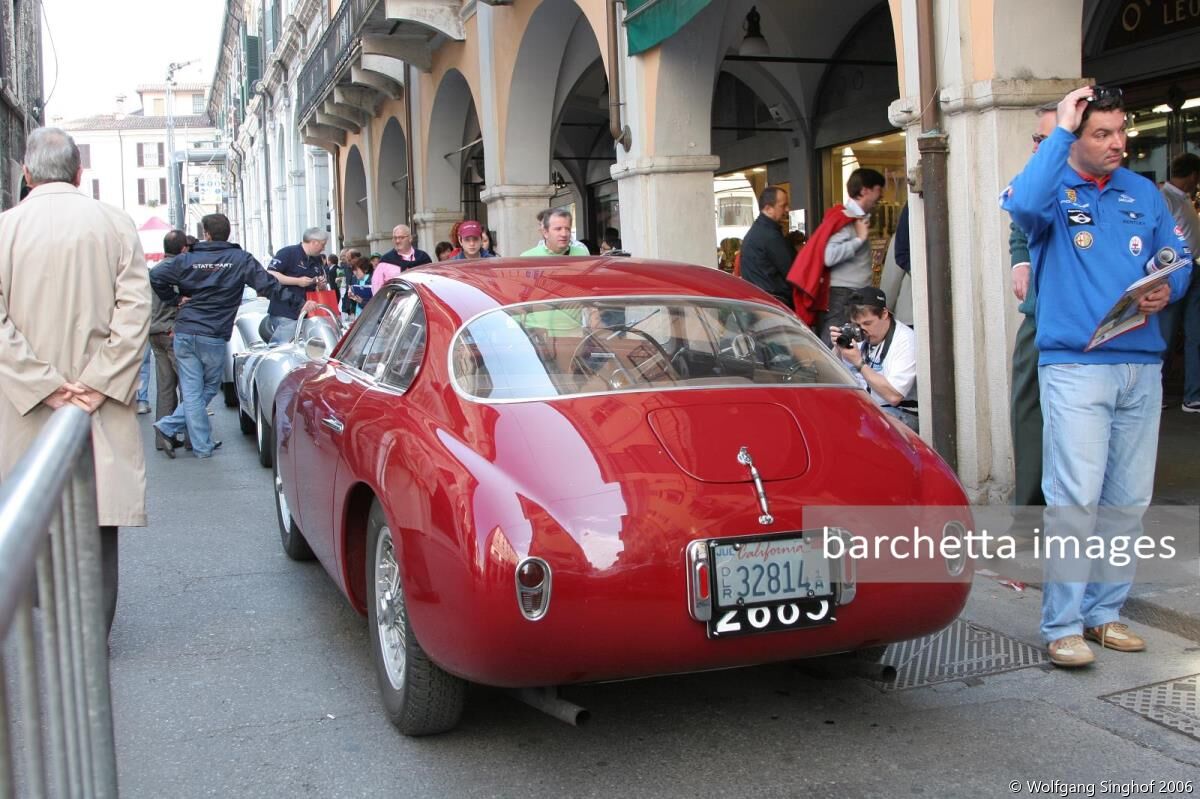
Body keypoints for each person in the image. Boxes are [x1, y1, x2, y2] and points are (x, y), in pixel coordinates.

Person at [1002, 85, 1191, 668]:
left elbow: (1176, 258)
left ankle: (1105, 614)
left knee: (1128, 501)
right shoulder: (1051, 188)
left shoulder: (1144, 192)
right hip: (1076, 367)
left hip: (1141, 363)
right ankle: (1062, 625)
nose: (1117, 143)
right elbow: (1022, 205)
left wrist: (1168, 286)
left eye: (1121, 131)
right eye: (1101, 134)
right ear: (1076, 138)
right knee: (1075, 498)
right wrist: (1059, 129)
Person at [0, 126, 152, 635]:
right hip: (97, 403)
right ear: (78, 172)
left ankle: (40, 636)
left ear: (26, 173)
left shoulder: (5, 229)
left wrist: (42, 384)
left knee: (27, 515)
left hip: (24, 403)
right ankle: (90, 636)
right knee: (97, 521)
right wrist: (96, 381)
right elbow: (135, 311)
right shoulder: (115, 224)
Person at [150, 213, 309, 459]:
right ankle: (171, 427)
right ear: (228, 234)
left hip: (184, 329)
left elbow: (156, 275)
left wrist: (175, 299)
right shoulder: (240, 259)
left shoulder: (187, 259)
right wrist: (299, 305)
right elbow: (269, 285)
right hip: (212, 332)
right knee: (208, 388)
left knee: (192, 389)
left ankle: (197, 442)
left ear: (206, 234)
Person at [1008, 102, 1059, 508]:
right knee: (1028, 410)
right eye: (1037, 139)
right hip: (1041, 317)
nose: (1038, 147)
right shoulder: (1034, 178)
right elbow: (1019, 224)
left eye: (1048, 139)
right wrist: (1021, 261)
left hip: (1089, 325)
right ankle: (1028, 511)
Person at [828, 286, 918, 431]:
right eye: (857, 325)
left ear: (884, 314)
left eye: (868, 323)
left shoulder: (905, 340)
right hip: (866, 409)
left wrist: (859, 363)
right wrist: (838, 348)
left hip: (899, 414)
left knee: (861, 429)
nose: (863, 330)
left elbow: (894, 396)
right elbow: (832, 378)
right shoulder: (857, 334)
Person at [814, 168, 886, 345]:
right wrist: (859, 239)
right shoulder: (846, 219)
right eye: (878, 189)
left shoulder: (854, 218)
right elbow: (829, 256)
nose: (881, 195)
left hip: (849, 293)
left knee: (843, 342)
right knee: (833, 341)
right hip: (844, 294)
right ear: (864, 191)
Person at [1156, 152, 1200, 412]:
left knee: (1196, 333)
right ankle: (1156, 391)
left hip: (1194, 267)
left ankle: (1193, 395)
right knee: (1166, 331)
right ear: (1194, 175)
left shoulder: (1183, 199)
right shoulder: (1165, 198)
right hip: (1174, 268)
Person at [148, 229, 188, 447]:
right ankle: (193, 437)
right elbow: (178, 302)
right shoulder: (175, 270)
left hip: (154, 332)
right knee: (189, 386)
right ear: (183, 249)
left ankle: (163, 438)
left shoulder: (153, 270)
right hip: (172, 331)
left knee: (164, 388)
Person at [266, 227, 328, 344]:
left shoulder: (317, 260)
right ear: (314, 242)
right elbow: (270, 273)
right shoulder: (288, 253)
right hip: (286, 311)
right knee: (284, 347)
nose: (323, 248)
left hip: (306, 312)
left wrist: (320, 285)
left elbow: (317, 284)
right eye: (322, 244)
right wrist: (297, 281)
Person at [738, 186, 795, 309]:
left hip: (760, 302)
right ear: (768, 209)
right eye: (783, 205)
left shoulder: (757, 232)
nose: (787, 209)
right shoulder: (770, 236)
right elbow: (792, 272)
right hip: (774, 305)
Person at [521, 207, 590, 256]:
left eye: (567, 229)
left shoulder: (582, 254)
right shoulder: (528, 257)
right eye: (558, 229)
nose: (564, 234)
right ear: (545, 233)